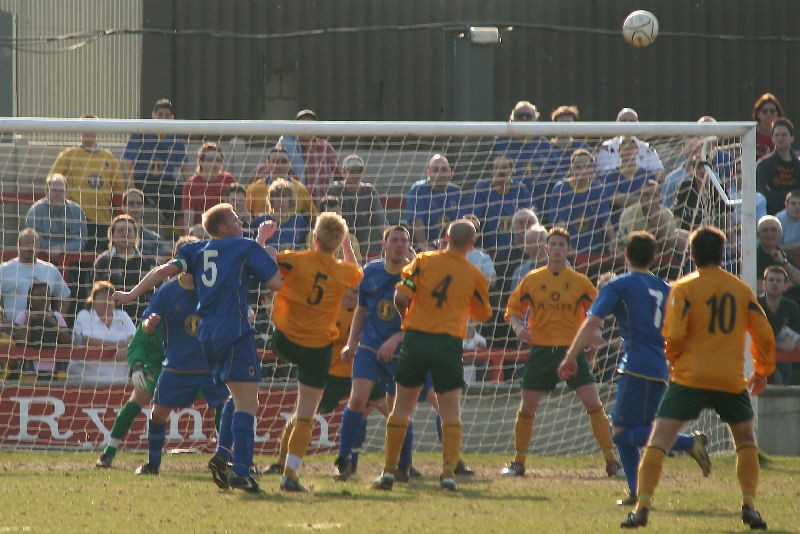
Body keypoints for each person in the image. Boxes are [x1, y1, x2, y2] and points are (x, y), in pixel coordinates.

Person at [113, 203, 282, 493]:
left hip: (207, 334)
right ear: (223, 227)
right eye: (235, 219)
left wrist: (131, 294)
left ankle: (223, 454)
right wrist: (263, 246)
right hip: (234, 329)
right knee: (247, 402)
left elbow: (163, 270)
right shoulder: (244, 246)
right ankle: (241, 469)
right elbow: (276, 282)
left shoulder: (195, 251)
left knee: (236, 396)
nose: (241, 222)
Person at [620, 226, 775, 530]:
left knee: (659, 440)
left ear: (691, 255)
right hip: (730, 379)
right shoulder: (741, 289)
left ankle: (643, 507)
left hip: (690, 377)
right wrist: (761, 370)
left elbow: (674, 334)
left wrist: (674, 358)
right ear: (722, 254)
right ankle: (749, 505)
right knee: (745, 440)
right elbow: (764, 334)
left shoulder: (684, 287)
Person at [559, 231, 710, 506]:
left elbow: (592, 321)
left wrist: (571, 356)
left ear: (625, 255)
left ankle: (688, 442)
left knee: (621, 432)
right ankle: (638, 492)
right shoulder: (666, 288)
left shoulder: (619, 285)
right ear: (654, 258)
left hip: (636, 366)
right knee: (632, 431)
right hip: (660, 367)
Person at [372, 219, 492, 492]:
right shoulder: (474, 275)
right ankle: (448, 473)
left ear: (446, 236)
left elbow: (400, 297)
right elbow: (484, 313)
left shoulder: (423, 261)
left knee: (401, 406)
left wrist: (408, 320)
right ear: (471, 244)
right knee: (450, 410)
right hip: (448, 343)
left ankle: (389, 472)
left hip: (415, 339)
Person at [502, 227, 622, 479]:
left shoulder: (580, 282)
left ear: (567, 250)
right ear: (545, 249)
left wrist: (597, 330)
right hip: (541, 351)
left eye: (561, 245)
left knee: (593, 403)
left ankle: (613, 461)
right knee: (527, 408)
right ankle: (518, 462)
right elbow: (513, 308)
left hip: (572, 350)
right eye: (552, 244)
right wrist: (517, 327)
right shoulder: (532, 279)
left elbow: (599, 309)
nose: (556, 249)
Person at [267, 211, 362, 492]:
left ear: (315, 237)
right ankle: (290, 475)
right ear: (340, 240)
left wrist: (262, 240)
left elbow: (265, 264)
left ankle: (280, 462)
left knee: (300, 410)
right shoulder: (343, 271)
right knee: (306, 414)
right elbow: (357, 272)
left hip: (285, 341)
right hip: (318, 348)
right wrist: (345, 246)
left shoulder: (296, 259)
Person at [95, 236, 197, 469]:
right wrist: (138, 365)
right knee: (139, 398)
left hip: (196, 363)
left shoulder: (206, 292)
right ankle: (109, 451)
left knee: (223, 398)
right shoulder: (165, 295)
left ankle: (227, 453)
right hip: (160, 366)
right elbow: (139, 341)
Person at [133, 245, 230, 476]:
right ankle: (153, 464)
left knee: (227, 408)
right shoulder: (168, 292)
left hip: (210, 364)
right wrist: (151, 323)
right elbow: (146, 326)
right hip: (177, 367)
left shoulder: (214, 289)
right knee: (157, 414)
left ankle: (230, 457)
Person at [334, 226, 415, 481]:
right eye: (394, 240)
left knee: (397, 410)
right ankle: (344, 461)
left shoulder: (414, 275)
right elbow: (361, 310)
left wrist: (398, 337)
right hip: (369, 347)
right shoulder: (370, 272)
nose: (399, 245)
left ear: (409, 247)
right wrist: (351, 343)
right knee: (357, 399)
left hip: (402, 351)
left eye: (404, 241)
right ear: (385, 244)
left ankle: (402, 466)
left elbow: (420, 318)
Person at [49, 114, 126, 251]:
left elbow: (118, 190)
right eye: (85, 128)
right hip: (75, 220)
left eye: (93, 128)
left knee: (99, 259)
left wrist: (117, 217)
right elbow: (53, 181)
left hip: (102, 220)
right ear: (79, 131)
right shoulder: (69, 154)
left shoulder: (109, 157)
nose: (89, 132)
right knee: (77, 262)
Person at [122, 98, 190, 235]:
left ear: (172, 118)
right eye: (160, 115)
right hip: (143, 180)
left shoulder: (175, 137)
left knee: (182, 196)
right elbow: (128, 159)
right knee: (136, 198)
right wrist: (131, 182)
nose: (163, 118)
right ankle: (134, 233)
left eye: (166, 115)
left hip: (166, 181)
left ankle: (173, 236)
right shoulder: (142, 132)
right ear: (153, 115)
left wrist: (190, 186)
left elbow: (184, 165)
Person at [549, 149, 617, 256]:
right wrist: (567, 247)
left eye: (586, 166)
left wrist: (615, 245)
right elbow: (560, 223)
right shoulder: (560, 189)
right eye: (578, 166)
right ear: (572, 168)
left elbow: (606, 222)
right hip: (568, 251)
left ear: (592, 168)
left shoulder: (597, 189)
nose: (582, 170)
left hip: (593, 251)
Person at [492, 101, 554, 218]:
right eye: (520, 116)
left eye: (528, 116)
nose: (524, 118)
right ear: (512, 119)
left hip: (542, 210)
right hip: (508, 209)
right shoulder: (501, 143)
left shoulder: (545, 145)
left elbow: (556, 178)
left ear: (536, 119)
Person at [71, 281, 136, 384]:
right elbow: (86, 340)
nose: (106, 302)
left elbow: (136, 339)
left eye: (110, 298)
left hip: (120, 383)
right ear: (93, 301)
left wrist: (125, 346)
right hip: (85, 383)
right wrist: (119, 345)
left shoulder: (122, 315)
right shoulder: (84, 315)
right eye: (102, 298)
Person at [93, 215, 157, 320]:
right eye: (120, 231)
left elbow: (157, 292)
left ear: (136, 235)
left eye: (129, 231)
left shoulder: (149, 261)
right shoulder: (102, 262)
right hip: (111, 320)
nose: (125, 234)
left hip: (145, 319)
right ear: (112, 235)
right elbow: (94, 293)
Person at [0, 229, 71, 324]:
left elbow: (65, 296)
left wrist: (58, 320)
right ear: (18, 245)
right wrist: (3, 322)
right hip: (13, 332)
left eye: (33, 243)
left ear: (38, 246)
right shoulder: (4, 270)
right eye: (26, 243)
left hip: (44, 332)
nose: (30, 246)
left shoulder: (50, 270)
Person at [466, 154, 533, 254]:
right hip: (487, 250)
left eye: (505, 167)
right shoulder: (482, 188)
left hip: (517, 249)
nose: (501, 171)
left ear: (512, 170)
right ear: (492, 171)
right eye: (497, 167)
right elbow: (473, 218)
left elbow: (533, 218)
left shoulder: (520, 189)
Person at [326, 154, 389, 257]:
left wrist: (391, 240)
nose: (355, 173)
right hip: (337, 245)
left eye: (359, 170)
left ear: (363, 173)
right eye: (351, 170)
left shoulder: (369, 192)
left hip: (361, 247)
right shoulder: (334, 190)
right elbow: (328, 222)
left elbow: (381, 222)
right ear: (344, 173)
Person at [537, 105, 592, 223]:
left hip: (579, 202)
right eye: (562, 124)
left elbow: (592, 174)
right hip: (551, 204)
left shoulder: (583, 147)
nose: (565, 128)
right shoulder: (545, 148)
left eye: (569, 124)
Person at [277, 108, 343, 202]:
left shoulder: (326, 148)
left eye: (310, 125)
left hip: (321, 209)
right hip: (295, 209)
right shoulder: (287, 148)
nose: (306, 128)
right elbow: (265, 170)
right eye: (302, 125)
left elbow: (340, 177)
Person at [11, 281, 71, 380]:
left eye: (46, 295)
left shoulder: (57, 317)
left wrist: (52, 322)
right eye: (39, 295)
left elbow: (68, 342)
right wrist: (29, 320)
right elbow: (21, 344)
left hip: (55, 371)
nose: (44, 299)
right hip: (30, 371)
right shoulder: (23, 316)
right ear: (30, 298)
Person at [404, 154, 463, 251]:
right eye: (436, 170)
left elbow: (460, 223)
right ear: (429, 173)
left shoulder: (456, 191)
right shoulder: (418, 190)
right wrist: (425, 247)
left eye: (444, 170)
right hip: (424, 250)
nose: (440, 173)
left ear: (450, 172)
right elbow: (417, 222)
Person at [595, 108, 665, 183]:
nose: (627, 124)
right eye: (624, 121)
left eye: (632, 121)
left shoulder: (647, 148)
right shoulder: (607, 148)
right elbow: (605, 176)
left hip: (643, 191)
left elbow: (660, 175)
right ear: (616, 123)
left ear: (638, 124)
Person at [246, 146, 316, 220]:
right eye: (275, 161)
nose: (279, 165)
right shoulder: (254, 189)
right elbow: (244, 214)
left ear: (290, 164)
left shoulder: (300, 189)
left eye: (284, 161)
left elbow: (314, 218)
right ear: (267, 164)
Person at [25, 173, 87, 253]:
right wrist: (50, 249)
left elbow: (82, 240)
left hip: (72, 260)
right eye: (54, 190)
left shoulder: (77, 211)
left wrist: (62, 248)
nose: (58, 194)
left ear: (66, 193)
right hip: (42, 258)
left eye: (61, 191)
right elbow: (32, 239)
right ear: (46, 191)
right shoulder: (35, 211)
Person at [759, 265, 800, 385]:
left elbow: (796, 335)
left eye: (778, 280)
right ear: (763, 284)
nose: (774, 284)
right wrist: (778, 345)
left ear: (785, 286)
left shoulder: (792, 307)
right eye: (771, 280)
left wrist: (792, 344)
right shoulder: (756, 304)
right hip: (759, 356)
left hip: (783, 360)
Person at [182, 142, 236, 233]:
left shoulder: (228, 180)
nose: (215, 164)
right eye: (210, 160)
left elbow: (236, 210)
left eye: (218, 160)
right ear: (201, 162)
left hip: (224, 230)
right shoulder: (191, 184)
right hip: (201, 230)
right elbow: (188, 218)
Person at [618, 179, 679, 254]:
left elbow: (671, 248)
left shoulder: (667, 214)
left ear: (660, 197)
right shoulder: (628, 214)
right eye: (646, 195)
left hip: (660, 256)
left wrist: (658, 227)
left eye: (654, 195)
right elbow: (628, 244)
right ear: (640, 196)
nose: (650, 199)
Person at [756, 118, 800, 215]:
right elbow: (762, 194)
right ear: (772, 138)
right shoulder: (763, 165)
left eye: (784, 135)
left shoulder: (798, 165)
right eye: (777, 135)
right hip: (772, 215)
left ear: (792, 138)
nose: (780, 138)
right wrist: (790, 197)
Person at [252, 179, 310, 251]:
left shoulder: (299, 221)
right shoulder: (260, 220)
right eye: (277, 196)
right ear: (271, 199)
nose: (281, 200)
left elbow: (307, 242)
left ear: (290, 200)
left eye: (284, 196)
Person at [755, 215, 800, 304]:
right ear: (758, 235)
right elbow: (756, 287)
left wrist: (783, 262)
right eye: (765, 230)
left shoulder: (786, 258)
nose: (769, 234)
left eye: (773, 230)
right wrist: (786, 284)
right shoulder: (753, 258)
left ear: (780, 234)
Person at [306, 196, 362, 261]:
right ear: (321, 216)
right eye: (331, 216)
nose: (334, 219)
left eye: (337, 215)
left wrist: (346, 243)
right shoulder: (312, 236)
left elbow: (358, 267)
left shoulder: (352, 239)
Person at [121, 188, 170, 263]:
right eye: (131, 203)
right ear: (123, 207)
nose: (135, 206)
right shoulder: (115, 236)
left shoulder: (154, 239)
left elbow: (159, 263)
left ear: (144, 207)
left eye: (139, 203)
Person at [753, 93, 784, 160]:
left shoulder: (783, 133)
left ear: (777, 114)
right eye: (765, 111)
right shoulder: (751, 134)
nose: (768, 114)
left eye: (772, 111)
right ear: (758, 114)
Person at [775, 190, 800, 256]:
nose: (797, 207)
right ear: (786, 205)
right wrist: (797, 246)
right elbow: (772, 248)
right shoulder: (778, 220)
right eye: (793, 203)